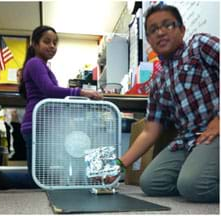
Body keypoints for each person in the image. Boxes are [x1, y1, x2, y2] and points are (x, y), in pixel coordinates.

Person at [111, 4, 219, 203]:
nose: (160, 32)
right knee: (151, 183)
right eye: (153, 30)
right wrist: (120, 163)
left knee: (193, 186)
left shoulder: (199, 46)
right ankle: (197, 172)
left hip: (215, 132)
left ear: (182, 29)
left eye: (168, 25)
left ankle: (195, 178)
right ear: (149, 41)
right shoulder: (158, 80)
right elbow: (150, 130)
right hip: (188, 141)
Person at [19, 25, 103, 184]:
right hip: (37, 126)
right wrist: (83, 92)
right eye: (47, 41)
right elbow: (50, 90)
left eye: (55, 43)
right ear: (35, 44)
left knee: (41, 176)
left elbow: (51, 95)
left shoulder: (41, 65)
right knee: (37, 179)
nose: (52, 46)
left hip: (43, 126)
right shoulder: (35, 63)